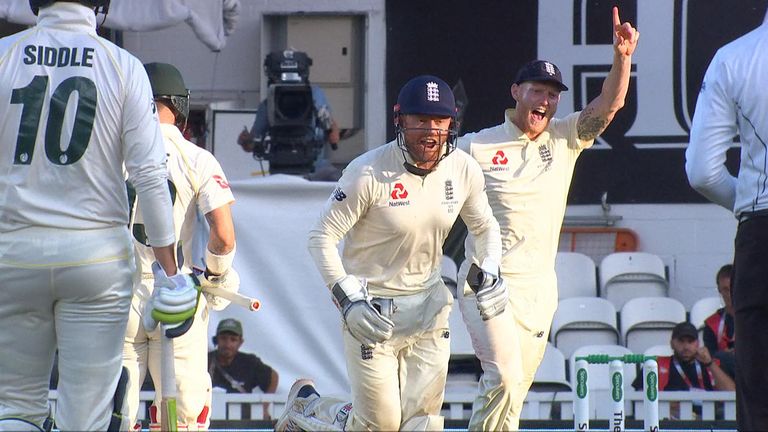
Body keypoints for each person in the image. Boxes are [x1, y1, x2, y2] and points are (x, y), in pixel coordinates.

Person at [0, 1, 199, 430]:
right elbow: (149, 176)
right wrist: (171, 271)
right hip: (95, 257)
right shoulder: (123, 65)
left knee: (14, 408)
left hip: (13, 251)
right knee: (86, 416)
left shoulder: (5, 55)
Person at [276, 75, 504, 431]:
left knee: (423, 423)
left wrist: (489, 267)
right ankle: (306, 408)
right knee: (377, 426)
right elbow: (320, 236)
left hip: (429, 308)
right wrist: (347, 298)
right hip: (372, 310)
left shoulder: (462, 169)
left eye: (440, 121)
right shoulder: (367, 172)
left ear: (452, 123)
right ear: (400, 121)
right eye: (420, 120)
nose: (431, 131)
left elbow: (486, 227)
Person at [454, 7, 639, 431]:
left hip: (539, 292)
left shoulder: (565, 137)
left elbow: (608, 107)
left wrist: (622, 58)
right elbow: (431, 178)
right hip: (487, 282)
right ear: (516, 91)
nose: (545, 101)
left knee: (513, 393)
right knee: (502, 378)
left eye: (553, 94)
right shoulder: (476, 146)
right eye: (537, 91)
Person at [122, 62, 238, 431]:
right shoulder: (197, 158)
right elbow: (222, 234)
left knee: (111, 414)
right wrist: (217, 276)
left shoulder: (110, 154)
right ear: (179, 104)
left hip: (116, 290)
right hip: (175, 292)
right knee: (183, 419)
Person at [685, 11, 768, 429]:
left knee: (759, 391)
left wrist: (750, 202)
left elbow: (702, 171)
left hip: (761, 232)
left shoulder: (733, 59)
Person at [237, 49, 341, 180]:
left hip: (291, 171)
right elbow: (334, 137)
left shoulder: (269, 103)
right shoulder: (314, 94)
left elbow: (252, 145)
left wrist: (246, 141)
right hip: (303, 169)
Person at [208, 318, 279, 420]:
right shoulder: (205, 360)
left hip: (244, 420)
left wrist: (265, 406)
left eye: (233, 339)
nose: (227, 344)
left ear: (240, 342)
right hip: (210, 419)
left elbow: (273, 376)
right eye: (223, 338)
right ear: (216, 340)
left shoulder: (249, 362)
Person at [702, 264, 735, 380]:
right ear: (719, 291)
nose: (730, 294)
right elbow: (710, 357)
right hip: (724, 375)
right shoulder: (712, 324)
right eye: (725, 289)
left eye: (733, 287)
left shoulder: (756, 319)